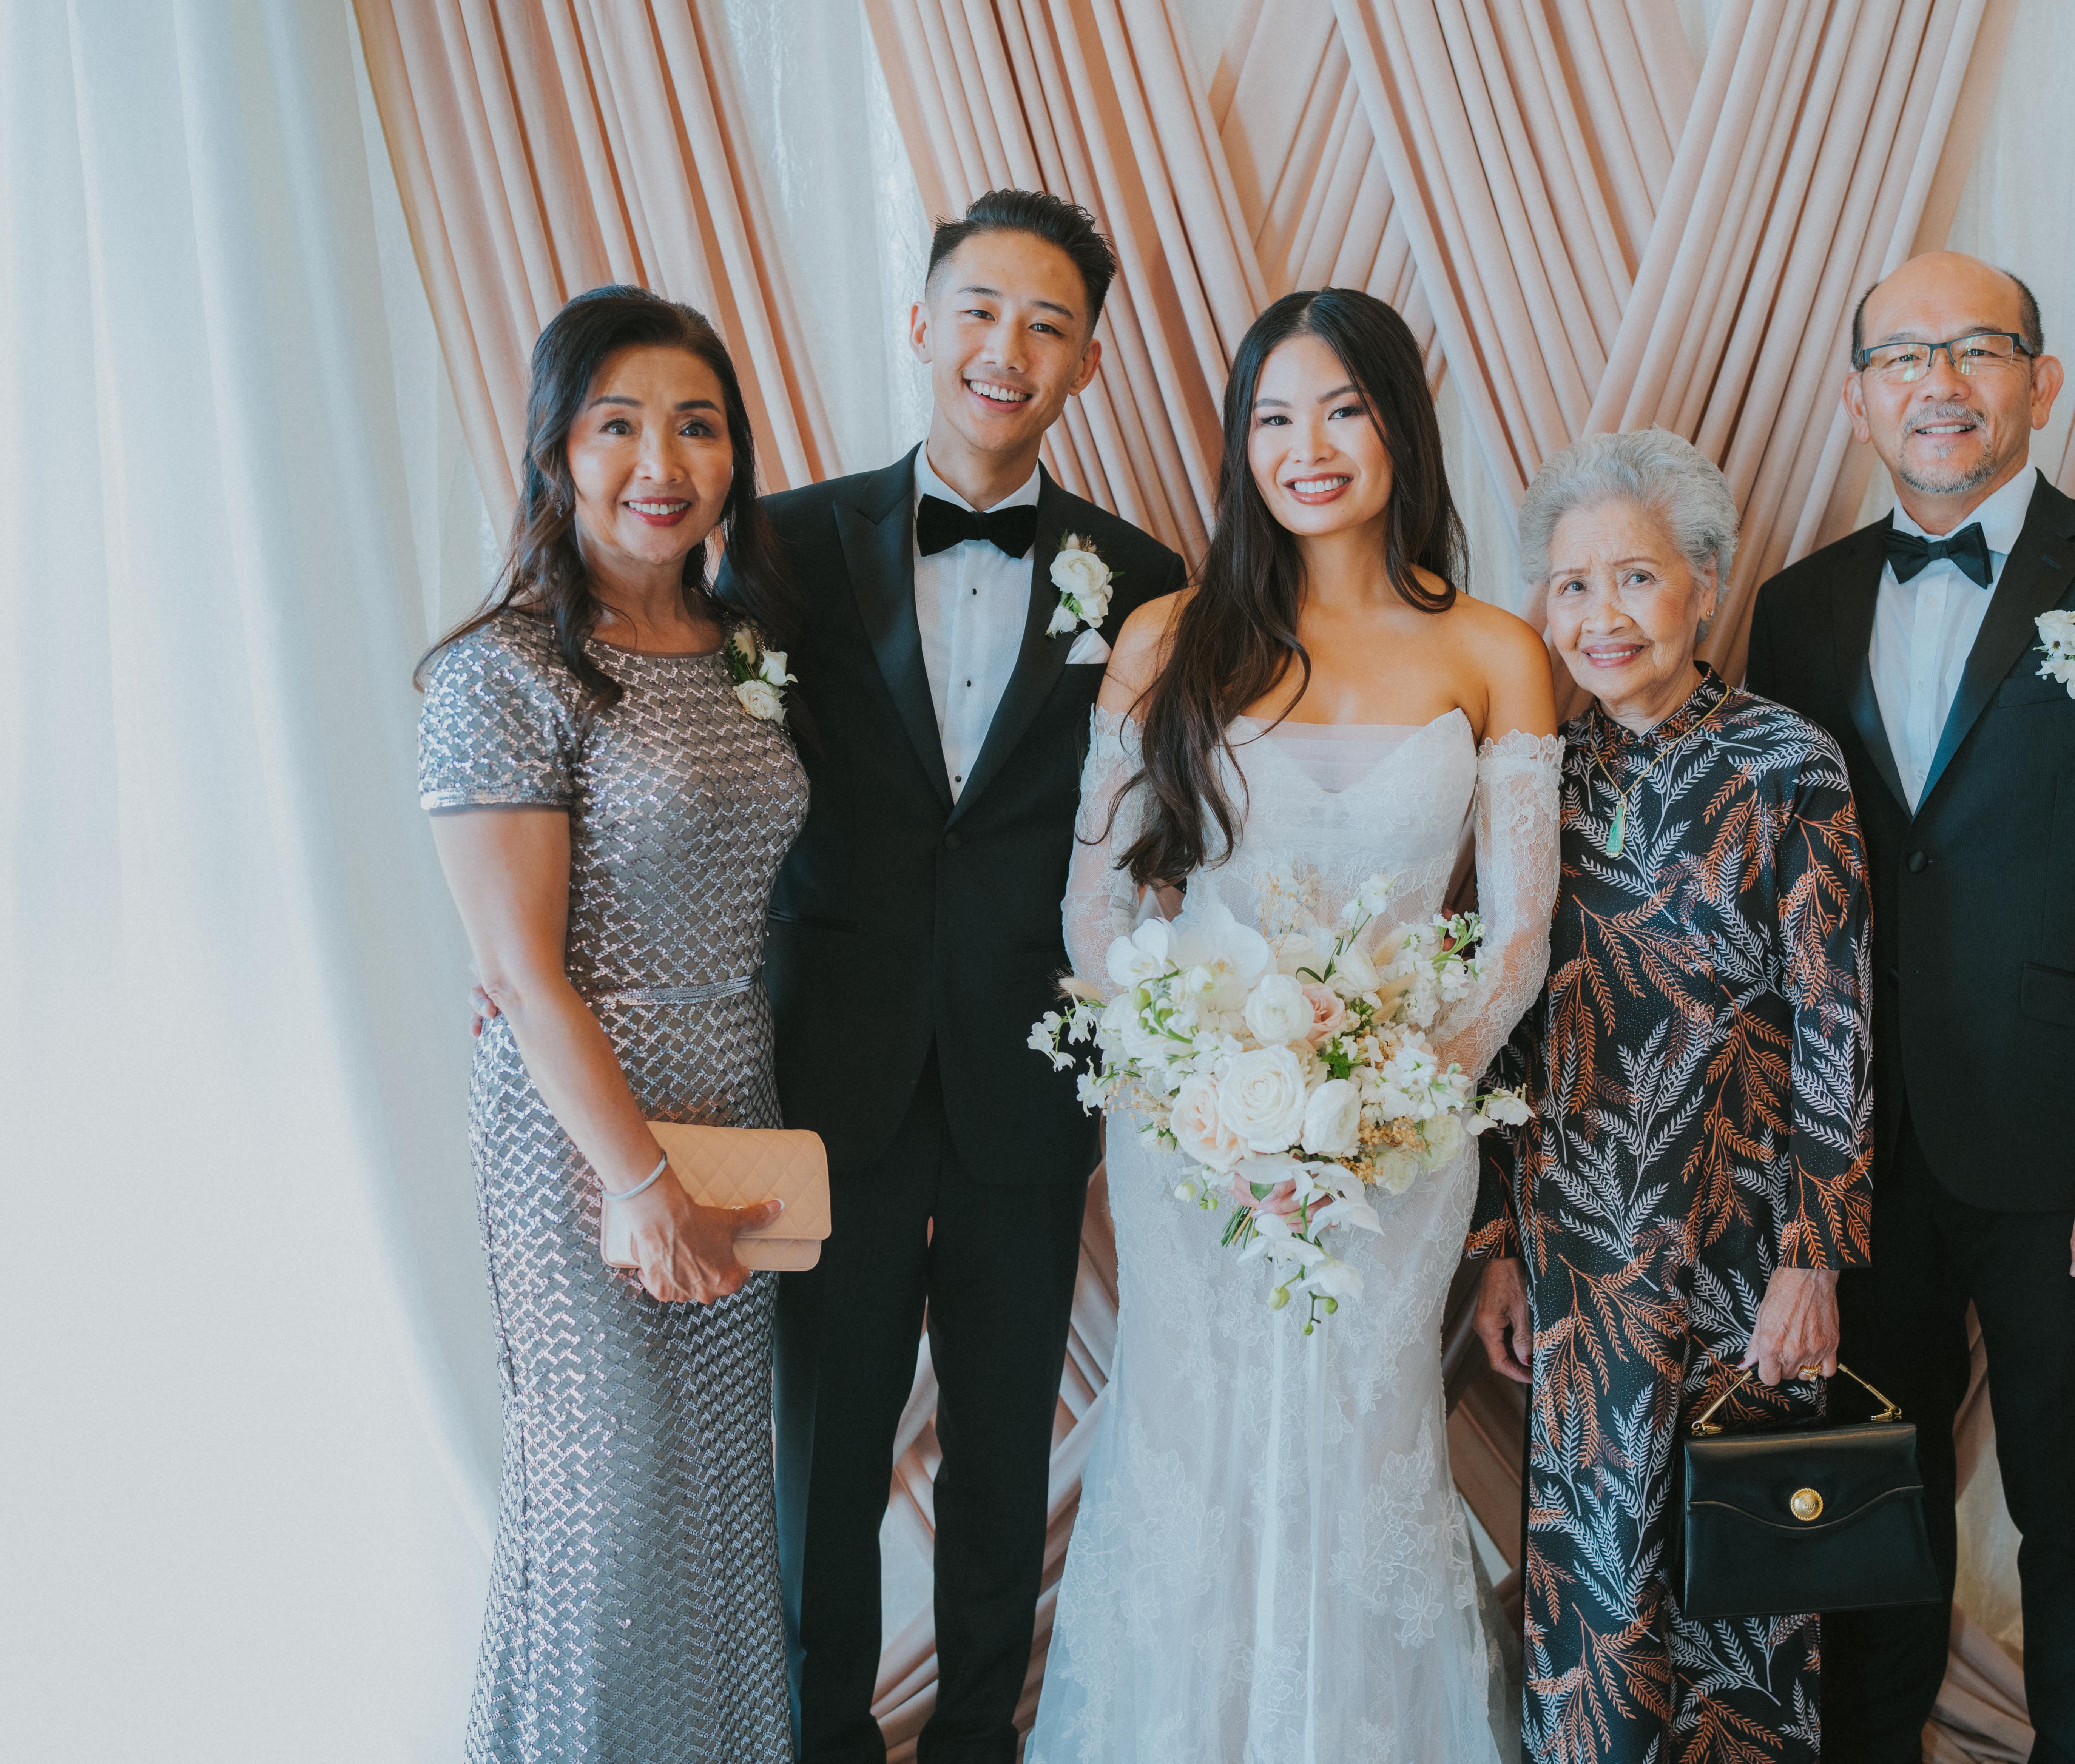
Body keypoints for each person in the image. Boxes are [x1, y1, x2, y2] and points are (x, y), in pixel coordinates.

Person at [1032, 287, 1560, 1761]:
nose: (1307, 447)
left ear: (1400, 426)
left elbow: (1519, 934)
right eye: (1273, 417)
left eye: (1342, 410)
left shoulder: (1496, 650)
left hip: (1399, 1134)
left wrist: (1397, 1092)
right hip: (1193, 1134)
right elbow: (1095, 915)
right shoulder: (1169, 636)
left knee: (1365, 1432)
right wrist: (1195, 1088)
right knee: (1190, 1431)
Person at [1745, 251, 2075, 1764]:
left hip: (2069, 1155)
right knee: (1863, 1515)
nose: (1941, 383)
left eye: (1978, 348)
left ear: (2042, 381)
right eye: (1904, 356)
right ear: (1856, 401)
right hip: (1858, 1156)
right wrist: (1790, 1173)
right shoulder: (1796, 609)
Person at [755, 191, 1185, 1764]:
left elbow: (1163, 828)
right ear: (922, 323)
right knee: (826, 1452)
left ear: (1088, 361)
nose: (1008, 348)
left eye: (1048, 324)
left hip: (1030, 1066)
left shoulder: (1144, 577)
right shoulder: (780, 546)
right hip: (829, 1069)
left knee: (1006, 1447)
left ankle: (979, 1739)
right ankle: (819, 1737)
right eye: (982, 311)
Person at [418, 285, 805, 1762]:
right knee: (609, 1504)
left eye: (698, 426)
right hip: (585, 1136)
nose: (663, 461)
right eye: (619, 424)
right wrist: (637, 1181)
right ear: (557, 451)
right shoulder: (502, 670)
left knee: (717, 1502)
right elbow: (521, 975)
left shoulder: (745, 646)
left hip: (738, 1104)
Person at [1467, 428, 1874, 1763]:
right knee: (1595, 1583)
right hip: (1581, 1251)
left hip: (1740, 1241)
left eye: (1635, 578)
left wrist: (1813, 1259)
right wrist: (1498, 1248)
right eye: (1573, 585)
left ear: (1705, 584)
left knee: (1736, 1579)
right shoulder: (1537, 774)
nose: (1603, 616)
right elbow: (1507, 1034)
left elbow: (1836, 1021)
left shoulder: (1787, 763)